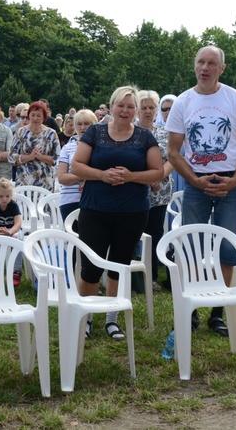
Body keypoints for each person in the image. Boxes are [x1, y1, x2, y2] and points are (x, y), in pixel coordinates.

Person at [166, 46, 236, 337]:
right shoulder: (183, 101)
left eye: (211, 63)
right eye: (200, 62)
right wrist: (194, 180)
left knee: (228, 248)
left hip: (232, 183)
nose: (205, 68)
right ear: (194, 65)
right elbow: (173, 150)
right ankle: (192, 310)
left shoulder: (234, 100)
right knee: (191, 246)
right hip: (197, 183)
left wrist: (235, 181)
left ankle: (218, 312)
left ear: (222, 68)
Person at [72, 85, 163, 340]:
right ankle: (86, 317)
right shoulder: (95, 132)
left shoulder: (145, 137)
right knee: (91, 267)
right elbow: (77, 165)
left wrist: (132, 176)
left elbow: (157, 172)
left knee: (119, 265)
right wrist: (102, 174)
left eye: (130, 106)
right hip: (94, 210)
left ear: (136, 110)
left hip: (132, 212)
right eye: (121, 105)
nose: (125, 110)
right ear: (111, 106)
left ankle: (112, 319)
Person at [137, 90, 175, 291]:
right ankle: (131, 276)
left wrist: (158, 175)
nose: (148, 111)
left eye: (152, 108)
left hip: (159, 192)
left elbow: (173, 159)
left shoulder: (164, 133)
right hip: (133, 192)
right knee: (132, 234)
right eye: (143, 107)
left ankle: (151, 276)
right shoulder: (129, 131)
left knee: (154, 234)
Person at [9, 101, 60, 192]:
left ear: (44, 117)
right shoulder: (20, 132)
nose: (35, 118)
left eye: (38, 115)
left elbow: (57, 159)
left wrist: (41, 157)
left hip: (45, 182)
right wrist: (29, 157)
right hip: (24, 181)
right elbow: (11, 157)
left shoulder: (52, 134)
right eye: (32, 115)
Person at [57, 109, 97, 222]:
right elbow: (62, 178)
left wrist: (87, 179)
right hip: (70, 200)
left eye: (86, 124)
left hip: (95, 200)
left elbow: (104, 173)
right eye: (79, 124)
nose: (82, 127)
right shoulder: (67, 148)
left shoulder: (101, 148)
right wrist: (85, 176)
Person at [0, 177, 24, 286]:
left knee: (18, 239)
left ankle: (16, 271)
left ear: (11, 196)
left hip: (12, 231)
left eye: (7, 196)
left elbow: (18, 224)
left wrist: (10, 232)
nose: (4, 199)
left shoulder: (13, 205)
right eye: (1, 196)